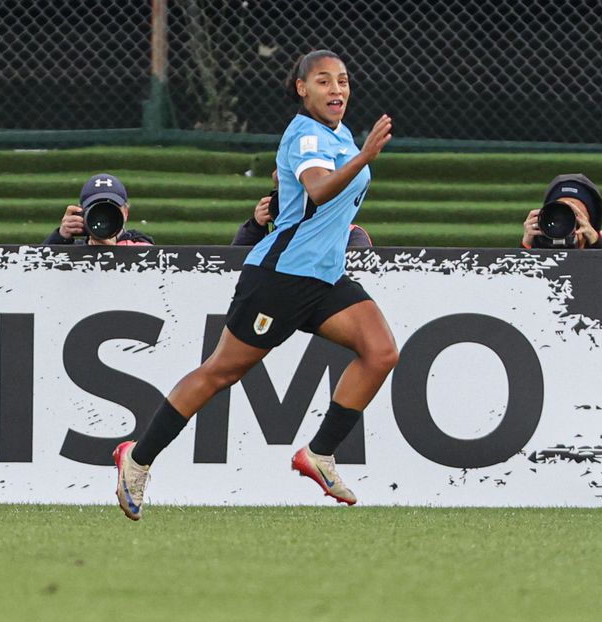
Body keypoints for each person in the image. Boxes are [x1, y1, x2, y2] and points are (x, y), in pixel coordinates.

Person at [113, 49, 398, 519]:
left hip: (323, 277)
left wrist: (318, 165)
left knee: (381, 351)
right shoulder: (307, 133)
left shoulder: (339, 135)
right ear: (302, 89)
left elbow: (302, 184)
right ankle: (137, 458)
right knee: (221, 372)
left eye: (343, 81)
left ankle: (319, 453)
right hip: (280, 278)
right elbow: (320, 188)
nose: (337, 89)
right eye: (323, 82)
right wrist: (365, 156)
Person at [232, 169, 373, 247]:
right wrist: (256, 226)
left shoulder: (350, 234)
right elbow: (233, 261)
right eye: (285, 195)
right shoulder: (273, 230)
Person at [521, 173, 602, 250]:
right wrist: (525, 248)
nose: (566, 219)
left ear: (590, 219)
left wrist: (597, 244)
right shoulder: (538, 247)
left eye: (575, 212)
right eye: (561, 211)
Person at [42, 173, 153, 246]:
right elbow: (39, 272)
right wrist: (60, 238)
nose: (104, 216)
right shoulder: (73, 250)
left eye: (112, 209)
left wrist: (118, 254)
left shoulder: (141, 247)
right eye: (95, 208)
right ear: (81, 213)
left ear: (125, 212)